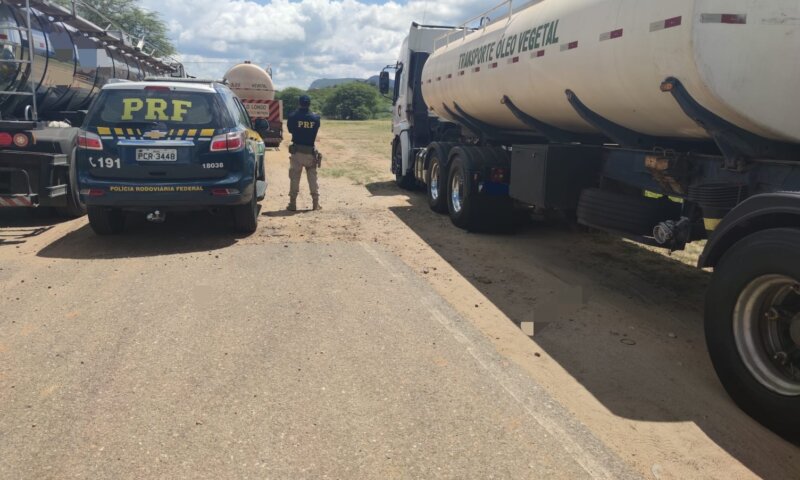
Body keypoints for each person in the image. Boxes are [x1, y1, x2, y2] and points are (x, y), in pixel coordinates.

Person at [287, 95, 322, 211]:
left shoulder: (293, 116)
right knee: (312, 178)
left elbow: (290, 130)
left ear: (299, 103)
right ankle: (315, 204)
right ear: (309, 104)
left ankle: (292, 204)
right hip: (310, 153)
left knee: (294, 178)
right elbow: (315, 130)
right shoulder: (316, 118)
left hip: (297, 153)